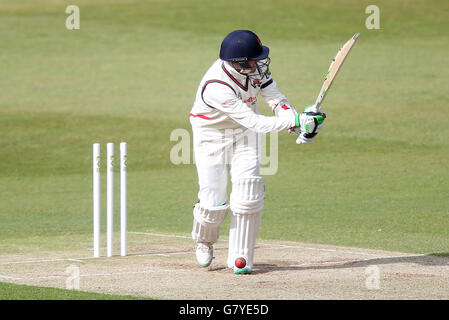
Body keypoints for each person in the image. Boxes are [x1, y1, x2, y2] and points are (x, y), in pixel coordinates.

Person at [189, 30, 326, 274]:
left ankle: (240, 256)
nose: (259, 63)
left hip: (244, 135)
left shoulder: (255, 69)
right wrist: (296, 119)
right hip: (212, 137)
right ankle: (205, 240)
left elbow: (275, 99)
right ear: (237, 63)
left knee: (249, 188)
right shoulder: (216, 87)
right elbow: (256, 122)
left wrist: (298, 124)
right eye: (253, 59)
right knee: (213, 203)